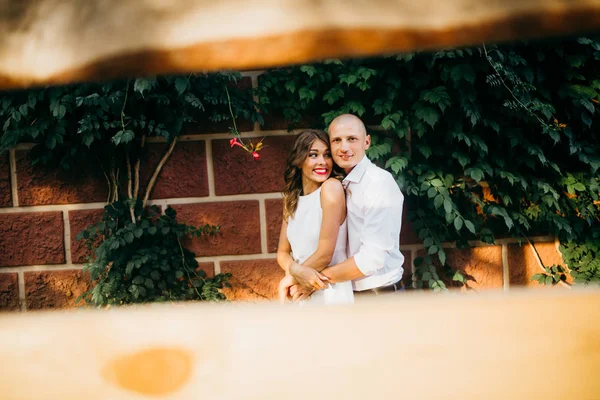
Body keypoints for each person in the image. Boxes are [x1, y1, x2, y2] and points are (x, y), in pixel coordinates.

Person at [287, 114, 404, 301]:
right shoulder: (339, 183)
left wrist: (312, 281)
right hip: (349, 296)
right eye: (336, 140)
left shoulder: (378, 183)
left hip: (380, 298)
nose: (344, 148)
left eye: (352, 139)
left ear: (366, 142)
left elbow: (372, 258)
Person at [276, 129, 354, 305]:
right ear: (299, 160)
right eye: (313, 155)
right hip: (300, 292)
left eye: (327, 155)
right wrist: (295, 271)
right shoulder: (291, 199)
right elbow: (282, 253)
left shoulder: (331, 188)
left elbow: (325, 254)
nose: (322, 162)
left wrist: (289, 280)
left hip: (329, 294)